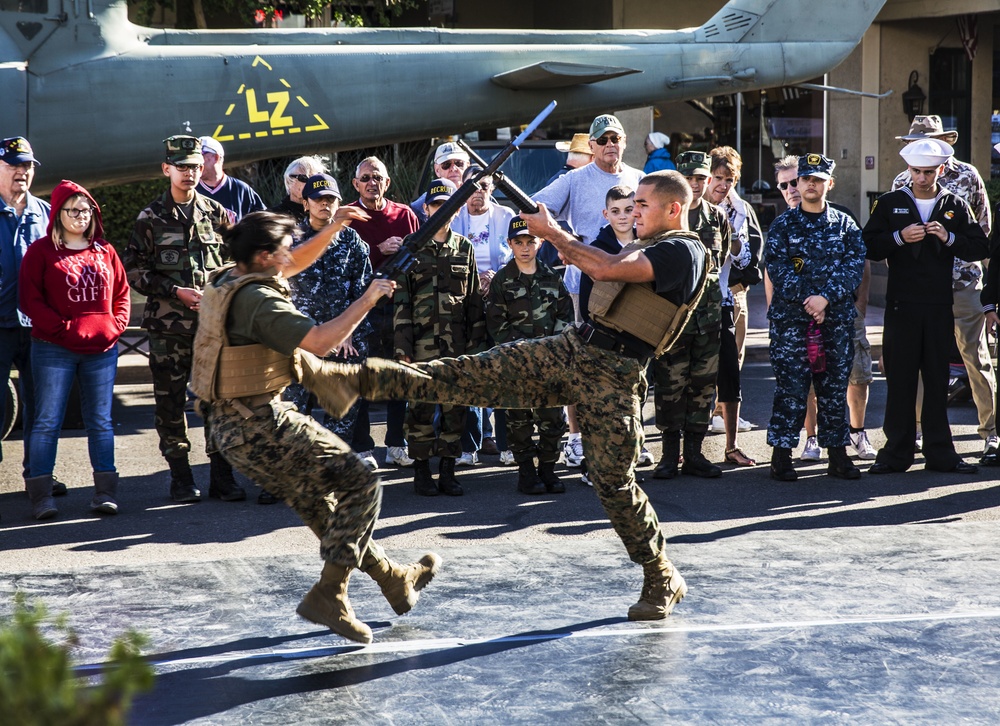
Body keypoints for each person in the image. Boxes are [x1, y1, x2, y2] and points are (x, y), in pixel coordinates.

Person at [354, 170, 705, 621]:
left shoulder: (684, 250)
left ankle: (661, 575)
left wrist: (552, 233)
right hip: (577, 348)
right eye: (632, 204)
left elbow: (603, 267)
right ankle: (371, 379)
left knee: (612, 480)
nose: (634, 211)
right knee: (479, 370)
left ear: (673, 208)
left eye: (642, 205)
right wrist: (550, 230)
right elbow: (593, 251)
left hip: (614, 376)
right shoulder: (647, 243)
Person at [190, 210, 440, 645]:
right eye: (284, 248)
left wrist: (335, 227)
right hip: (261, 424)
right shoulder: (259, 302)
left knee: (323, 507)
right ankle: (331, 594)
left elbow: (295, 261)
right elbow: (321, 342)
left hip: (230, 430)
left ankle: (393, 580)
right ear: (265, 256)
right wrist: (369, 297)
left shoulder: (227, 278)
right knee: (362, 482)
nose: (292, 255)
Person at [123, 135, 244, 503]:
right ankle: (180, 477)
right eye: (182, 167)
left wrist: (219, 290)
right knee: (171, 402)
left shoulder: (215, 213)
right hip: (168, 329)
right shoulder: (150, 217)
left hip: (211, 328)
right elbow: (134, 271)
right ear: (167, 170)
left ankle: (221, 477)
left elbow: (238, 259)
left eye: (194, 166)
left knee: (217, 401)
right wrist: (176, 292)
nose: (190, 173)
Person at [864, 139, 989, 475]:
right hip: (901, 304)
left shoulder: (955, 204)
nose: (922, 177)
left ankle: (940, 453)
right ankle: (895, 453)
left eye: (929, 172)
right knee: (900, 378)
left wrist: (949, 238)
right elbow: (869, 246)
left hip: (938, 303)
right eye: (917, 171)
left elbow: (980, 245)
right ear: (908, 170)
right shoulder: (890, 203)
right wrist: (899, 238)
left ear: (942, 170)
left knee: (937, 380)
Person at [534, 113, 644, 473]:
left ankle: (632, 437)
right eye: (603, 139)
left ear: (624, 142)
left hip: (633, 287)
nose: (611, 144)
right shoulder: (575, 179)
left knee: (633, 364)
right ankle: (577, 441)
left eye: (616, 138)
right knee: (584, 364)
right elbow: (536, 207)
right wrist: (562, 242)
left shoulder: (640, 180)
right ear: (592, 145)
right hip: (586, 288)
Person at [18, 181, 130, 519]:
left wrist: (114, 326)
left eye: (86, 210)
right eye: (73, 210)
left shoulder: (105, 250)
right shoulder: (40, 252)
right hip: (53, 349)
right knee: (47, 421)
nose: (80, 216)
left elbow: (122, 294)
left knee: (100, 421)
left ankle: (105, 493)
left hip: (101, 349)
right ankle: (41, 498)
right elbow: (30, 299)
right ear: (57, 214)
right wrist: (64, 330)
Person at [889, 116, 996, 464]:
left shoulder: (967, 175)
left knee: (974, 358)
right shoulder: (902, 179)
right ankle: (917, 433)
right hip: (919, 288)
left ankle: (991, 433)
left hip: (962, 282)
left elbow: (983, 229)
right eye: (914, 141)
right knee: (918, 360)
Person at [764, 154, 864, 481]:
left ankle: (838, 456)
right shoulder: (783, 224)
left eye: (818, 179)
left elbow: (854, 266)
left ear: (829, 184)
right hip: (792, 321)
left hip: (835, 319)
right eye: (805, 179)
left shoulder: (844, 224)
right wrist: (809, 299)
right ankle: (781, 455)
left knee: (833, 390)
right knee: (792, 388)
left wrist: (825, 298)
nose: (810, 184)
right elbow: (777, 267)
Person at [395, 178, 486, 496]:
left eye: (446, 206)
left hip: (456, 347)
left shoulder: (465, 247)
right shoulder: (412, 246)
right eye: (435, 206)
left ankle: (447, 472)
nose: (440, 211)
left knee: (454, 410)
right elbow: (401, 301)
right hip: (419, 345)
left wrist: (476, 348)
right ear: (426, 209)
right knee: (419, 410)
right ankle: (421, 473)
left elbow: (474, 300)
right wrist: (402, 349)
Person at [282, 174, 375, 475]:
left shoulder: (352, 242)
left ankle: (331, 473)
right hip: (298, 341)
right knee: (291, 412)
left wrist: (348, 333)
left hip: (342, 343)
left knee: (341, 413)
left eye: (331, 199)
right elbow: (277, 292)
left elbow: (363, 294)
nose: (325, 204)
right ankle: (289, 475)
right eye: (319, 199)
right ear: (306, 202)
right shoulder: (291, 240)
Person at [650, 151, 728, 480]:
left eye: (701, 178)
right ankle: (669, 455)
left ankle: (694, 454)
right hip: (674, 319)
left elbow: (719, 262)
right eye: (690, 179)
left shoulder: (717, 218)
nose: (696, 184)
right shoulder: (667, 218)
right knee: (670, 386)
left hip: (708, 318)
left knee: (703, 386)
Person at [486, 217, 572, 494]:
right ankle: (526, 473)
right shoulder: (502, 280)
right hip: (517, 364)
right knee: (519, 421)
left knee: (552, 421)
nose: (525, 247)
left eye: (530, 241)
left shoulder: (551, 277)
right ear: (509, 244)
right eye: (519, 242)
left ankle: (548, 470)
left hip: (549, 363)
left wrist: (550, 350)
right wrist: (523, 353)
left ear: (540, 242)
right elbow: (497, 324)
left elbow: (565, 317)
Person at [346, 156, 420, 468]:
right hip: (362, 311)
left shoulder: (404, 214)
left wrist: (403, 249)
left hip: (399, 308)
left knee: (399, 377)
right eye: (365, 178)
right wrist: (378, 251)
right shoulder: (348, 217)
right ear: (355, 184)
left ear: (387, 182)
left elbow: (419, 258)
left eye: (377, 177)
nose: (371, 183)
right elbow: (344, 266)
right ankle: (362, 447)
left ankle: (396, 444)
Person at [577, 185, 654, 468]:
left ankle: (638, 444)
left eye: (628, 210)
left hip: (639, 334)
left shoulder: (649, 244)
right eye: (615, 211)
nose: (623, 217)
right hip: (606, 336)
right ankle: (595, 461)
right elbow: (587, 297)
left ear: (637, 210)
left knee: (638, 392)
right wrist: (591, 332)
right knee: (606, 400)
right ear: (605, 214)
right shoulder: (596, 250)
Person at [451, 165, 514, 466]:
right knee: (471, 371)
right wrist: (475, 278)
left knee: (503, 370)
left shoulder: (506, 217)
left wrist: (495, 277)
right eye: (473, 186)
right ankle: (469, 446)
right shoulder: (453, 217)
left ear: (492, 188)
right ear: (462, 188)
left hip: (501, 302)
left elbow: (518, 254)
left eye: (485, 186)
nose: (479, 192)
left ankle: (506, 444)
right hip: (467, 302)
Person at [0, 136, 50, 504]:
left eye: (28, 166)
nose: (23, 171)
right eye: (15, 165)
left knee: (41, 408)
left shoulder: (48, 214)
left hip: (37, 329)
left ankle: (39, 476)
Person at [196, 136, 266, 223]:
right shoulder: (189, 190)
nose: (196, 162)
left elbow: (264, 222)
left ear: (216, 158)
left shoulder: (241, 189)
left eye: (200, 156)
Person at [410, 142, 469, 224]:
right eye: (446, 164)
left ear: (468, 166)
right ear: (437, 170)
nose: (453, 168)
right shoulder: (418, 208)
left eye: (459, 163)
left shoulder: (482, 198)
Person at [270, 155, 328, 224]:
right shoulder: (274, 217)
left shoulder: (328, 212)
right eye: (303, 178)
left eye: (315, 179)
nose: (310, 182)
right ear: (289, 182)